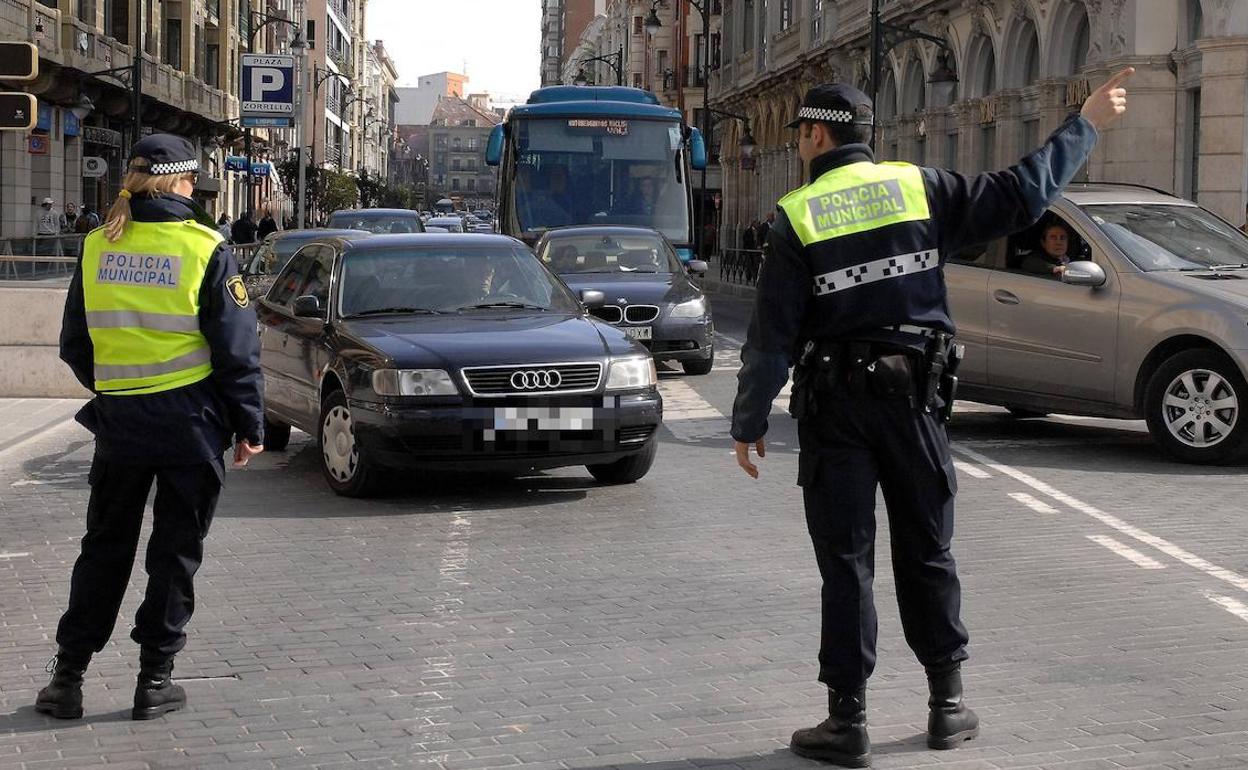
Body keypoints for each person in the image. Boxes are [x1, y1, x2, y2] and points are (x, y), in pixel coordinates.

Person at [729, 70, 1133, 767]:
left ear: (816, 134)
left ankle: (845, 722)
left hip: (836, 408)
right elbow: (1026, 191)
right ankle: (947, 706)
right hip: (915, 400)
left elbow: (772, 337)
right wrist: (1087, 121)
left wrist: (748, 420)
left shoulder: (798, 214)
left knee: (847, 564)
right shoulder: (920, 187)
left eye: (799, 133)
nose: (799, 143)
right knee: (927, 551)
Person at [37, 134, 264, 722]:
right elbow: (236, 352)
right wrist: (249, 425)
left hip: (120, 425)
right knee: (174, 555)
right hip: (190, 425)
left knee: (103, 548)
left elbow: (74, 345)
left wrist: (118, 384)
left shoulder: (96, 245)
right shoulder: (205, 247)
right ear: (184, 183)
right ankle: (154, 679)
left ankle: (68, 677)